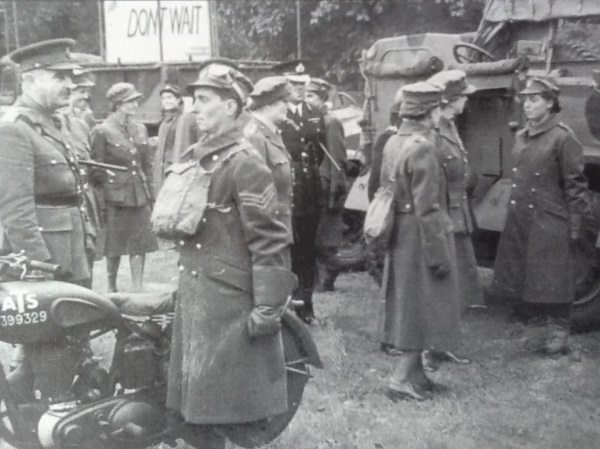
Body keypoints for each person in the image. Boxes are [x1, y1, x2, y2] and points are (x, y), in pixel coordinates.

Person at [166, 63, 296, 449]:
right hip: (197, 295)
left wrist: (269, 307)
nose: (194, 108)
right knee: (199, 410)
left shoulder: (245, 161)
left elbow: (270, 239)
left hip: (229, 303)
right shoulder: (200, 156)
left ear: (230, 106)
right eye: (193, 100)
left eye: (203, 100)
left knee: (227, 408)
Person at [491, 77, 588, 355]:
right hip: (523, 214)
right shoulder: (522, 135)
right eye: (525, 99)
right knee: (529, 276)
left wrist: (576, 227)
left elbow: (575, 185)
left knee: (554, 276)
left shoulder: (563, 137)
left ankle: (559, 331)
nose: (527, 104)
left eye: (534, 99)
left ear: (550, 102)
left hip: (550, 217)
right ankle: (536, 329)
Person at [380, 82, 461, 401]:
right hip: (421, 233)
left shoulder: (393, 141)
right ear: (427, 112)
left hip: (400, 230)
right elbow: (428, 206)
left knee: (408, 301)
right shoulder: (424, 146)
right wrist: (439, 254)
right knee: (423, 306)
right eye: (438, 108)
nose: (441, 113)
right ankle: (399, 379)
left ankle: (418, 376)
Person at [0, 38, 90, 285]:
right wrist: (40, 266)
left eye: (71, 77)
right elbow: (16, 210)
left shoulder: (53, 124)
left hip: (73, 254)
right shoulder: (14, 129)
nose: (70, 85)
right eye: (59, 77)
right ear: (29, 80)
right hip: (45, 263)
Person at [90, 82, 157, 292]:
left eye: (135, 100)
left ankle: (138, 287)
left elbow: (146, 164)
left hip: (139, 194)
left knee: (140, 243)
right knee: (115, 245)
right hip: (116, 197)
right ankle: (112, 287)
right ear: (118, 104)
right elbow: (96, 169)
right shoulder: (103, 130)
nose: (135, 104)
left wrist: (151, 195)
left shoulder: (140, 128)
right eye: (130, 101)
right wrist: (105, 195)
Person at [428, 69, 484, 310]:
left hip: (455, 205)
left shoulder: (449, 126)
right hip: (443, 206)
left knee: (459, 258)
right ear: (450, 102)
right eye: (463, 96)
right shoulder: (436, 131)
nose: (466, 100)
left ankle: (456, 304)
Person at [278, 60, 325, 323]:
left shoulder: (314, 112)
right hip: (290, 188)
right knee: (291, 248)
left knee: (308, 247)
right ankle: (289, 304)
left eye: (302, 84)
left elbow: (319, 153)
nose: (298, 89)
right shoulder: (279, 116)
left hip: (310, 189)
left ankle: (307, 305)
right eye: (293, 84)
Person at [59, 71, 104, 287]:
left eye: (86, 92)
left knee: (88, 258)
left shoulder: (82, 125)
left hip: (86, 205)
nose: (83, 98)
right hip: (61, 210)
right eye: (78, 91)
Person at [304, 78, 348, 292]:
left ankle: (328, 279)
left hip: (329, 187)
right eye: (306, 96)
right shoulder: (312, 120)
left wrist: (336, 192)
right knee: (318, 237)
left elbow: (338, 160)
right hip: (316, 187)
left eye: (311, 96)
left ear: (323, 98)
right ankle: (321, 280)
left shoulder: (331, 121)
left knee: (327, 239)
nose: (307, 100)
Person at [244, 76, 294, 246]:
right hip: (267, 234)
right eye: (284, 102)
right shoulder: (255, 137)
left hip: (279, 227)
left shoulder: (271, 132)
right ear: (269, 104)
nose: (289, 107)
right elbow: (254, 197)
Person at [153, 84, 198, 192]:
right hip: (162, 169)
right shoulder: (164, 121)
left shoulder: (185, 120)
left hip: (176, 169)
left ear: (178, 100)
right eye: (163, 98)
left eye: (170, 97)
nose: (166, 101)